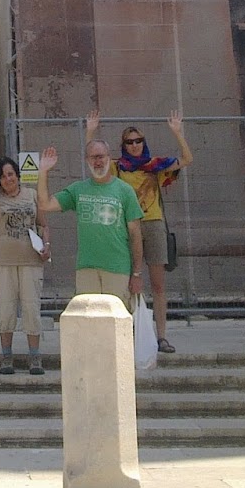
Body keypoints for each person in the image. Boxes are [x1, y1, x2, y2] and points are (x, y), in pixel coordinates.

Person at [87, 108, 193, 353]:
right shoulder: (119, 167)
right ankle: (130, 334)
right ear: (123, 145)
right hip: (126, 226)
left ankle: (161, 337)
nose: (134, 145)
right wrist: (90, 132)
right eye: (129, 142)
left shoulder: (155, 165)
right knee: (128, 283)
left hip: (153, 223)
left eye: (138, 141)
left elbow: (187, 159)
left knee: (158, 285)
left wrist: (177, 133)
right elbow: (94, 162)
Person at [36, 140, 144, 311]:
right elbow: (45, 204)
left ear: (109, 158)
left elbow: (136, 235)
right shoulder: (78, 189)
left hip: (117, 268)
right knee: (88, 321)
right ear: (87, 160)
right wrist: (43, 172)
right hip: (86, 268)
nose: (97, 161)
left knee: (116, 321)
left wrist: (136, 273)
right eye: (93, 157)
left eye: (101, 156)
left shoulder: (125, 191)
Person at [0, 157, 50, 376]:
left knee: (31, 308)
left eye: (10, 174)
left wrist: (47, 246)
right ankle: (7, 356)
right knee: (5, 309)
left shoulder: (32, 195)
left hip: (31, 261)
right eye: (3, 177)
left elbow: (43, 224)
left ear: (17, 174)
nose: (8, 179)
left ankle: (35, 356)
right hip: (2, 262)